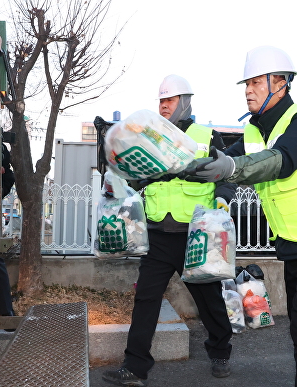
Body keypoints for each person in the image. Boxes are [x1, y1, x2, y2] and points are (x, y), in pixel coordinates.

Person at [179, 46, 297, 387]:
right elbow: (222, 160)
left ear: (281, 84)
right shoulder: (256, 131)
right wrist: (178, 168)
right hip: (292, 245)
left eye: (257, 82)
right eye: (247, 83)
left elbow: (280, 160)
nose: (248, 90)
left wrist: (230, 167)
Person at [102, 75, 236, 387]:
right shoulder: (147, 137)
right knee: (146, 299)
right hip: (158, 232)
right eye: (161, 101)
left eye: (170, 100)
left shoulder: (206, 135)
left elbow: (227, 173)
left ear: (185, 102)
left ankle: (220, 352)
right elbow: (135, 175)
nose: (164, 106)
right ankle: (135, 367)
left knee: (210, 301)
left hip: (196, 235)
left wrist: (222, 199)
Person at [0, 142, 16, 318]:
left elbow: (9, 178)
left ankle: (7, 314)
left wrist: (1, 175)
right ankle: (7, 313)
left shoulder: (1, 148)